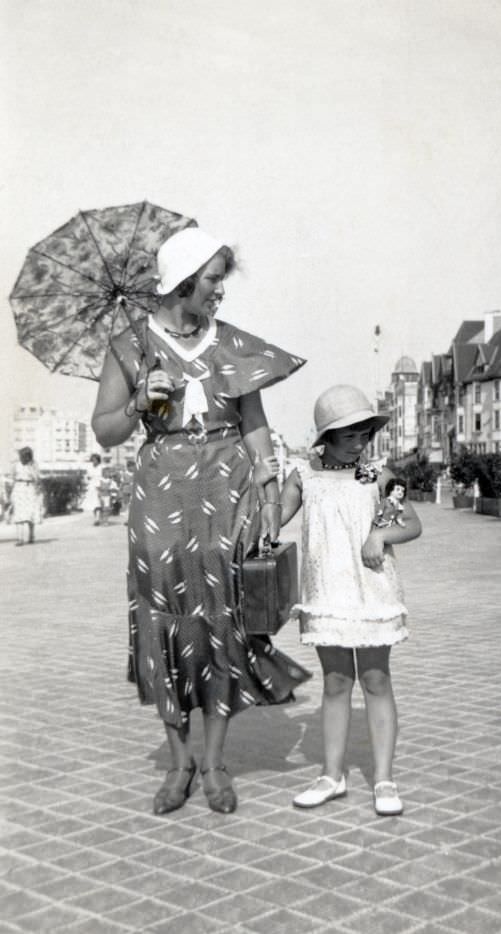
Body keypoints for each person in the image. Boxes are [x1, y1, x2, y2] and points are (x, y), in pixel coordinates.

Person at [91, 227, 310, 815]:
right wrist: (140, 402)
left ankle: (213, 762)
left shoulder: (232, 344)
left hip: (228, 486)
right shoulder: (129, 347)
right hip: (160, 495)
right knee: (164, 614)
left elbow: (255, 424)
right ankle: (179, 762)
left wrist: (267, 494)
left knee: (224, 615)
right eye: (213, 280)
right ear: (184, 280)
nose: (220, 291)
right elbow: (105, 428)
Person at [254, 385, 422, 816]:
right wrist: (263, 487)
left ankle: (384, 778)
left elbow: (412, 523)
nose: (360, 444)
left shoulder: (375, 475)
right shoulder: (304, 475)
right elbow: (268, 527)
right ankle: (332, 775)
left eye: (365, 434)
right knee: (335, 682)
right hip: (326, 591)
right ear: (325, 437)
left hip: (371, 590)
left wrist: (381, 533)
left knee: (376, 679)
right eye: (350, 436)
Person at [9, 447, 41, 546]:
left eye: (25, 456)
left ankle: (31, 535)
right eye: (22, 456)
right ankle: (20, 538)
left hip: (30, 488)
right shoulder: (16, 465)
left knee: (30, 513)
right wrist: (11, 493)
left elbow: (37, 478)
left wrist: (31, 468)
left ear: (29, 456)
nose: (23, 458)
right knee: (19, 513)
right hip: (19, 488)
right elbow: (12, 478)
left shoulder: (34, 465)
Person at [84, 454, 107, 525]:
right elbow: (87, 477)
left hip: (99, 486)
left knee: (99, 503)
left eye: (95, 460)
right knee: (93, 503)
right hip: (91, 487)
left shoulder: (102, 467)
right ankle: (96, 519)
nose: (93, 461)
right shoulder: (89, 467)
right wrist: (88, 479)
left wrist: (102, 486)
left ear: (98, 460)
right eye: (92, 460)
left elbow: (104, 477)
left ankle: (98, 519)